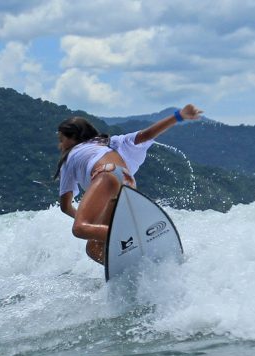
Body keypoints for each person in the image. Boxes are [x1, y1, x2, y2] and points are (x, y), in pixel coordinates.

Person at [55, 104, 203, 264]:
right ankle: (134, 267)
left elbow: (66, 206)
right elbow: (147, 134)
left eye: (62, 140)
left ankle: (135, 236)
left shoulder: (70, 157)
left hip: (105, 175)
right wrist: (178, 116)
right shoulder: (110, 142)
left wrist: (88, 223)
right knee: (93, 248)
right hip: (127, 182)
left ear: (74, 138)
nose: (60, 146)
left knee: (80, 228)